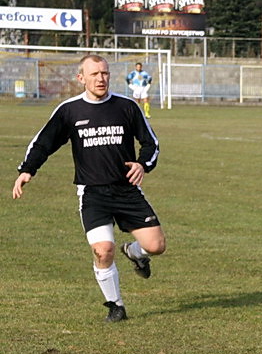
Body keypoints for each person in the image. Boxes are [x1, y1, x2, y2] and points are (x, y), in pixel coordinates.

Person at [12, 54, 166, 323]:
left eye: (104, 73)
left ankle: (135, 253)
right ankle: (115, 305)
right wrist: (27, 170)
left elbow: (150, 143)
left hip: (127, 189)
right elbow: (43, 143)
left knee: (156, 246)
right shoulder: (69, 110)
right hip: (92, 193)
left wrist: (143, 165)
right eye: (94, 74)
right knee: (103, 249)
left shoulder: (127, 107)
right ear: (81, 78)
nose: (101, 79)